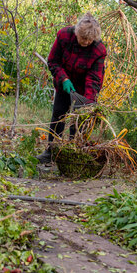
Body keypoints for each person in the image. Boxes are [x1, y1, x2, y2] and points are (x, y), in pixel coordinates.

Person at [36, 13, 107, 164]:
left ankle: (73, 153)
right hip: (64, 85)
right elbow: (53, 61)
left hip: (83, 90)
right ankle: (51, 151)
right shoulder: (64, 36)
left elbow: (94, 78)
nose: (86, 42)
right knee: (58, 115)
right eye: (83, 38)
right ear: (77, 33)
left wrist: (87, 102)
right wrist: (63, 79)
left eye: (89, 40)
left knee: (79, 121)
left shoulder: (99, 50)